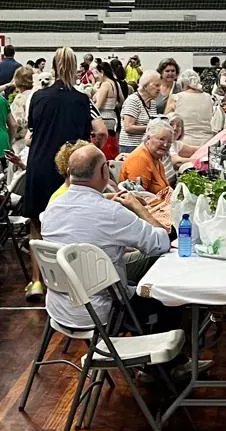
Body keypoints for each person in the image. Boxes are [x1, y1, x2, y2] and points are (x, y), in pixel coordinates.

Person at [40, 141, 174, 331]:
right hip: (102, 308)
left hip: (60, 306)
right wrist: (138, 208)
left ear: (69, 172)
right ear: (104, 172)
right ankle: (167, 357)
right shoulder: (111, 213)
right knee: (170, 293)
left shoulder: (51, 208)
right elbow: (161, 244)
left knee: (128, 264)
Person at [23, 48, 108, 302]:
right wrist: (92, 155)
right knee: (74, 221)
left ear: (54, 66)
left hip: (39, 164)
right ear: (77, 68)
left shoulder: (37, 96)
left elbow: (31, 131)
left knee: (37, 226)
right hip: (71, 168)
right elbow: (101, 131)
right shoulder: (83, 99)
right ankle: (74, 278)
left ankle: (37, 281)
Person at [164, 74, 218, 153]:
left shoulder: (176, 97)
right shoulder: (208, 97)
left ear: (183, 84)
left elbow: (166, 120)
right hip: (207, 143)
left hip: (184, 144)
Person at [119, 121, 173, 197]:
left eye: (169, 142)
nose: (165, 144)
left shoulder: (157, 160)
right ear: (148, 138)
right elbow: (139, 196)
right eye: (161, 139)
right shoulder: (139, 159)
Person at [118, 71, 163, 156]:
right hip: (130, 146)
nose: (159, 89)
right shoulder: (133, 100)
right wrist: (152, 127)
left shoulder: (152, 102)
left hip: (144, 146)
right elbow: (128, 127)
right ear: (145, 86)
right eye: (156, 85)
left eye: (160, 85)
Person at [92, 60, 126, 159]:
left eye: (97, 73)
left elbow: (98, 106)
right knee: (111, 143)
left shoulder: (105, 85)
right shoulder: (115, 83)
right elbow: (122, 101)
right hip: (112, 116)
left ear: (102, 72)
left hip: (103, 117)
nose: (96, 76)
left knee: (104, 146)